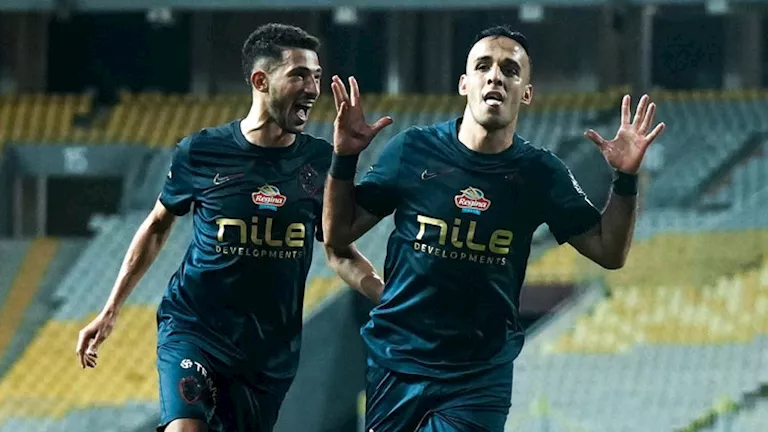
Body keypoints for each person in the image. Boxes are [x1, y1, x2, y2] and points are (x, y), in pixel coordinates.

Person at [322, 25, 665, 432]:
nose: (495, 77)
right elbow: (338, 235)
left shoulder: (540, 173)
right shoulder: (412, 151)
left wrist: (625, 179)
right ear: (464, 84)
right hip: (398, 359)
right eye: (483, 66)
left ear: (526, 93)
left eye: (510, 70)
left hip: (479, 374)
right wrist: (343, 158)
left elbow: (609, 251)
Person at [75, 23, 383, 432]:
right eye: (299, 75)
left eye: (316, 76)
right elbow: (156, 226)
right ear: (260, 81)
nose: (313, 88)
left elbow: (338, 250)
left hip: (268, 353)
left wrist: (391, 298)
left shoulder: (322, 161)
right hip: (194, 327)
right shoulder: (202, 151)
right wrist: (111, 309)